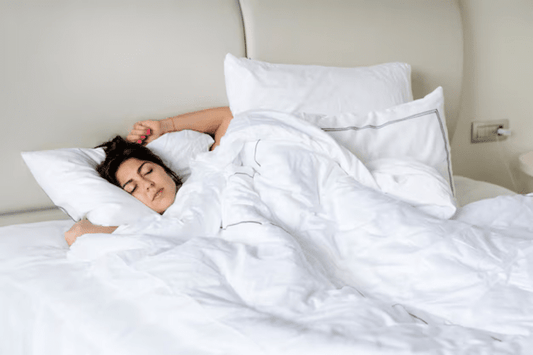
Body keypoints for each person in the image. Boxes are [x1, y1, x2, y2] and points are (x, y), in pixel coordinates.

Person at [64, 107, 233, 246]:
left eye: (148, 171)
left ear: (164, 169)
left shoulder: (205, 169)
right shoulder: (153, 225)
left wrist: (165, 126)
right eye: (132, 188)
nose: (147, 184)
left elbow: (228, 117)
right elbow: (165, 234)